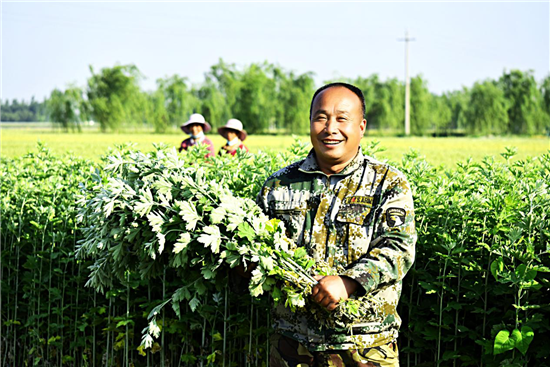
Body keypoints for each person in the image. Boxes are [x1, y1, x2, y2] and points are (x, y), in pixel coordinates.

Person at [256, 82, 417, 366]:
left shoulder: (387, 183)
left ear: (361, 126)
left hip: (366, 344)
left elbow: (398, 248)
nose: (330, 128)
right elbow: (259, 246)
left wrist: (349, 282)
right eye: (321, 117)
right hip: (293, 344)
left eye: (342, 118)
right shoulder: (278, 185)